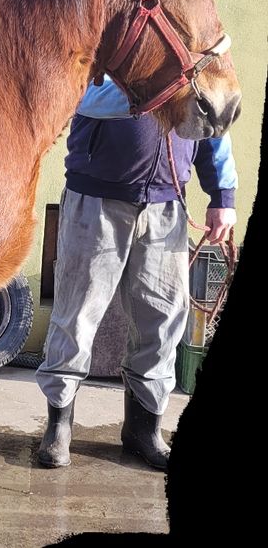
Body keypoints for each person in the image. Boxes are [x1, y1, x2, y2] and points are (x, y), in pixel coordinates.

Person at [35, 75, 238, 471]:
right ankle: (59, 425)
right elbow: (84, 96)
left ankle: (143, 429)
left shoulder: (191, 53)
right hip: (95, 197)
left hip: (167, 204)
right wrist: (163, 87)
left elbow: (212, 118)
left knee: (162, 320)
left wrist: (223, 196)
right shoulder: (113, 37)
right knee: (75, 317)